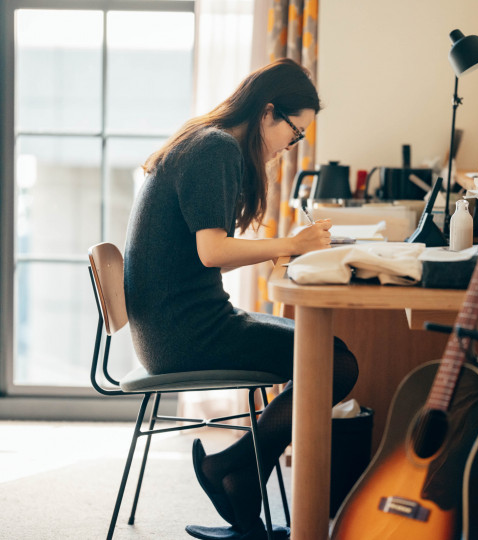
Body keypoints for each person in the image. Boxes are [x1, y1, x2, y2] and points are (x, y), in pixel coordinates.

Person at [123, 58, 359, 540]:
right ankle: (235, 467)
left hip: (178, 325)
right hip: (184, 335)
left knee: (324, 351)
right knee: (335, 363)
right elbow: (212, 253)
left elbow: (211, 257)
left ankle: (239, 473)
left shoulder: (209, 143)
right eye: (293, 134)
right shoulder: (215, 150)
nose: (289, 147)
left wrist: (286, 247)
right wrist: (291, 246)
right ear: (268, 113)